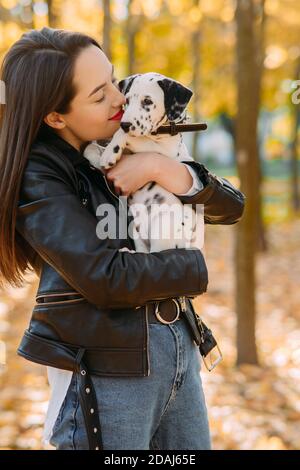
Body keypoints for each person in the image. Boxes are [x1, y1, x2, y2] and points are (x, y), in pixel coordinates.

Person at [0, 27, 245, 450]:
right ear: (55, 116)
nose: (120, 97)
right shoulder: (40, 175)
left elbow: (231, 207)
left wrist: (161, 167)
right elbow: (107, 277)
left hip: (179, 350)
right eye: (99, 94)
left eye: (113, 79)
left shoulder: (130, 138)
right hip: (108, 373)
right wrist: (196, 268)